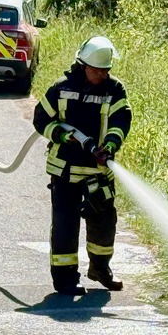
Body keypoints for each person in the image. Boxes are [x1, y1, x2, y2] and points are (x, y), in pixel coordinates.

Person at [32, 36, 131, 296]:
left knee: (104, 222)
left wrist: (110, 145)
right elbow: (41, 119)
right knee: (65, 225)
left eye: (105, 70)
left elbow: (121, 121)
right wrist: (62, 135)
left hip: (98, 172)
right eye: (97, 70)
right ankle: (65, 279)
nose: (101, 75)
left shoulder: (114, 90)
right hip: (65, 170)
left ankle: (100, 269)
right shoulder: (61, 88)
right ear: (83, 65)